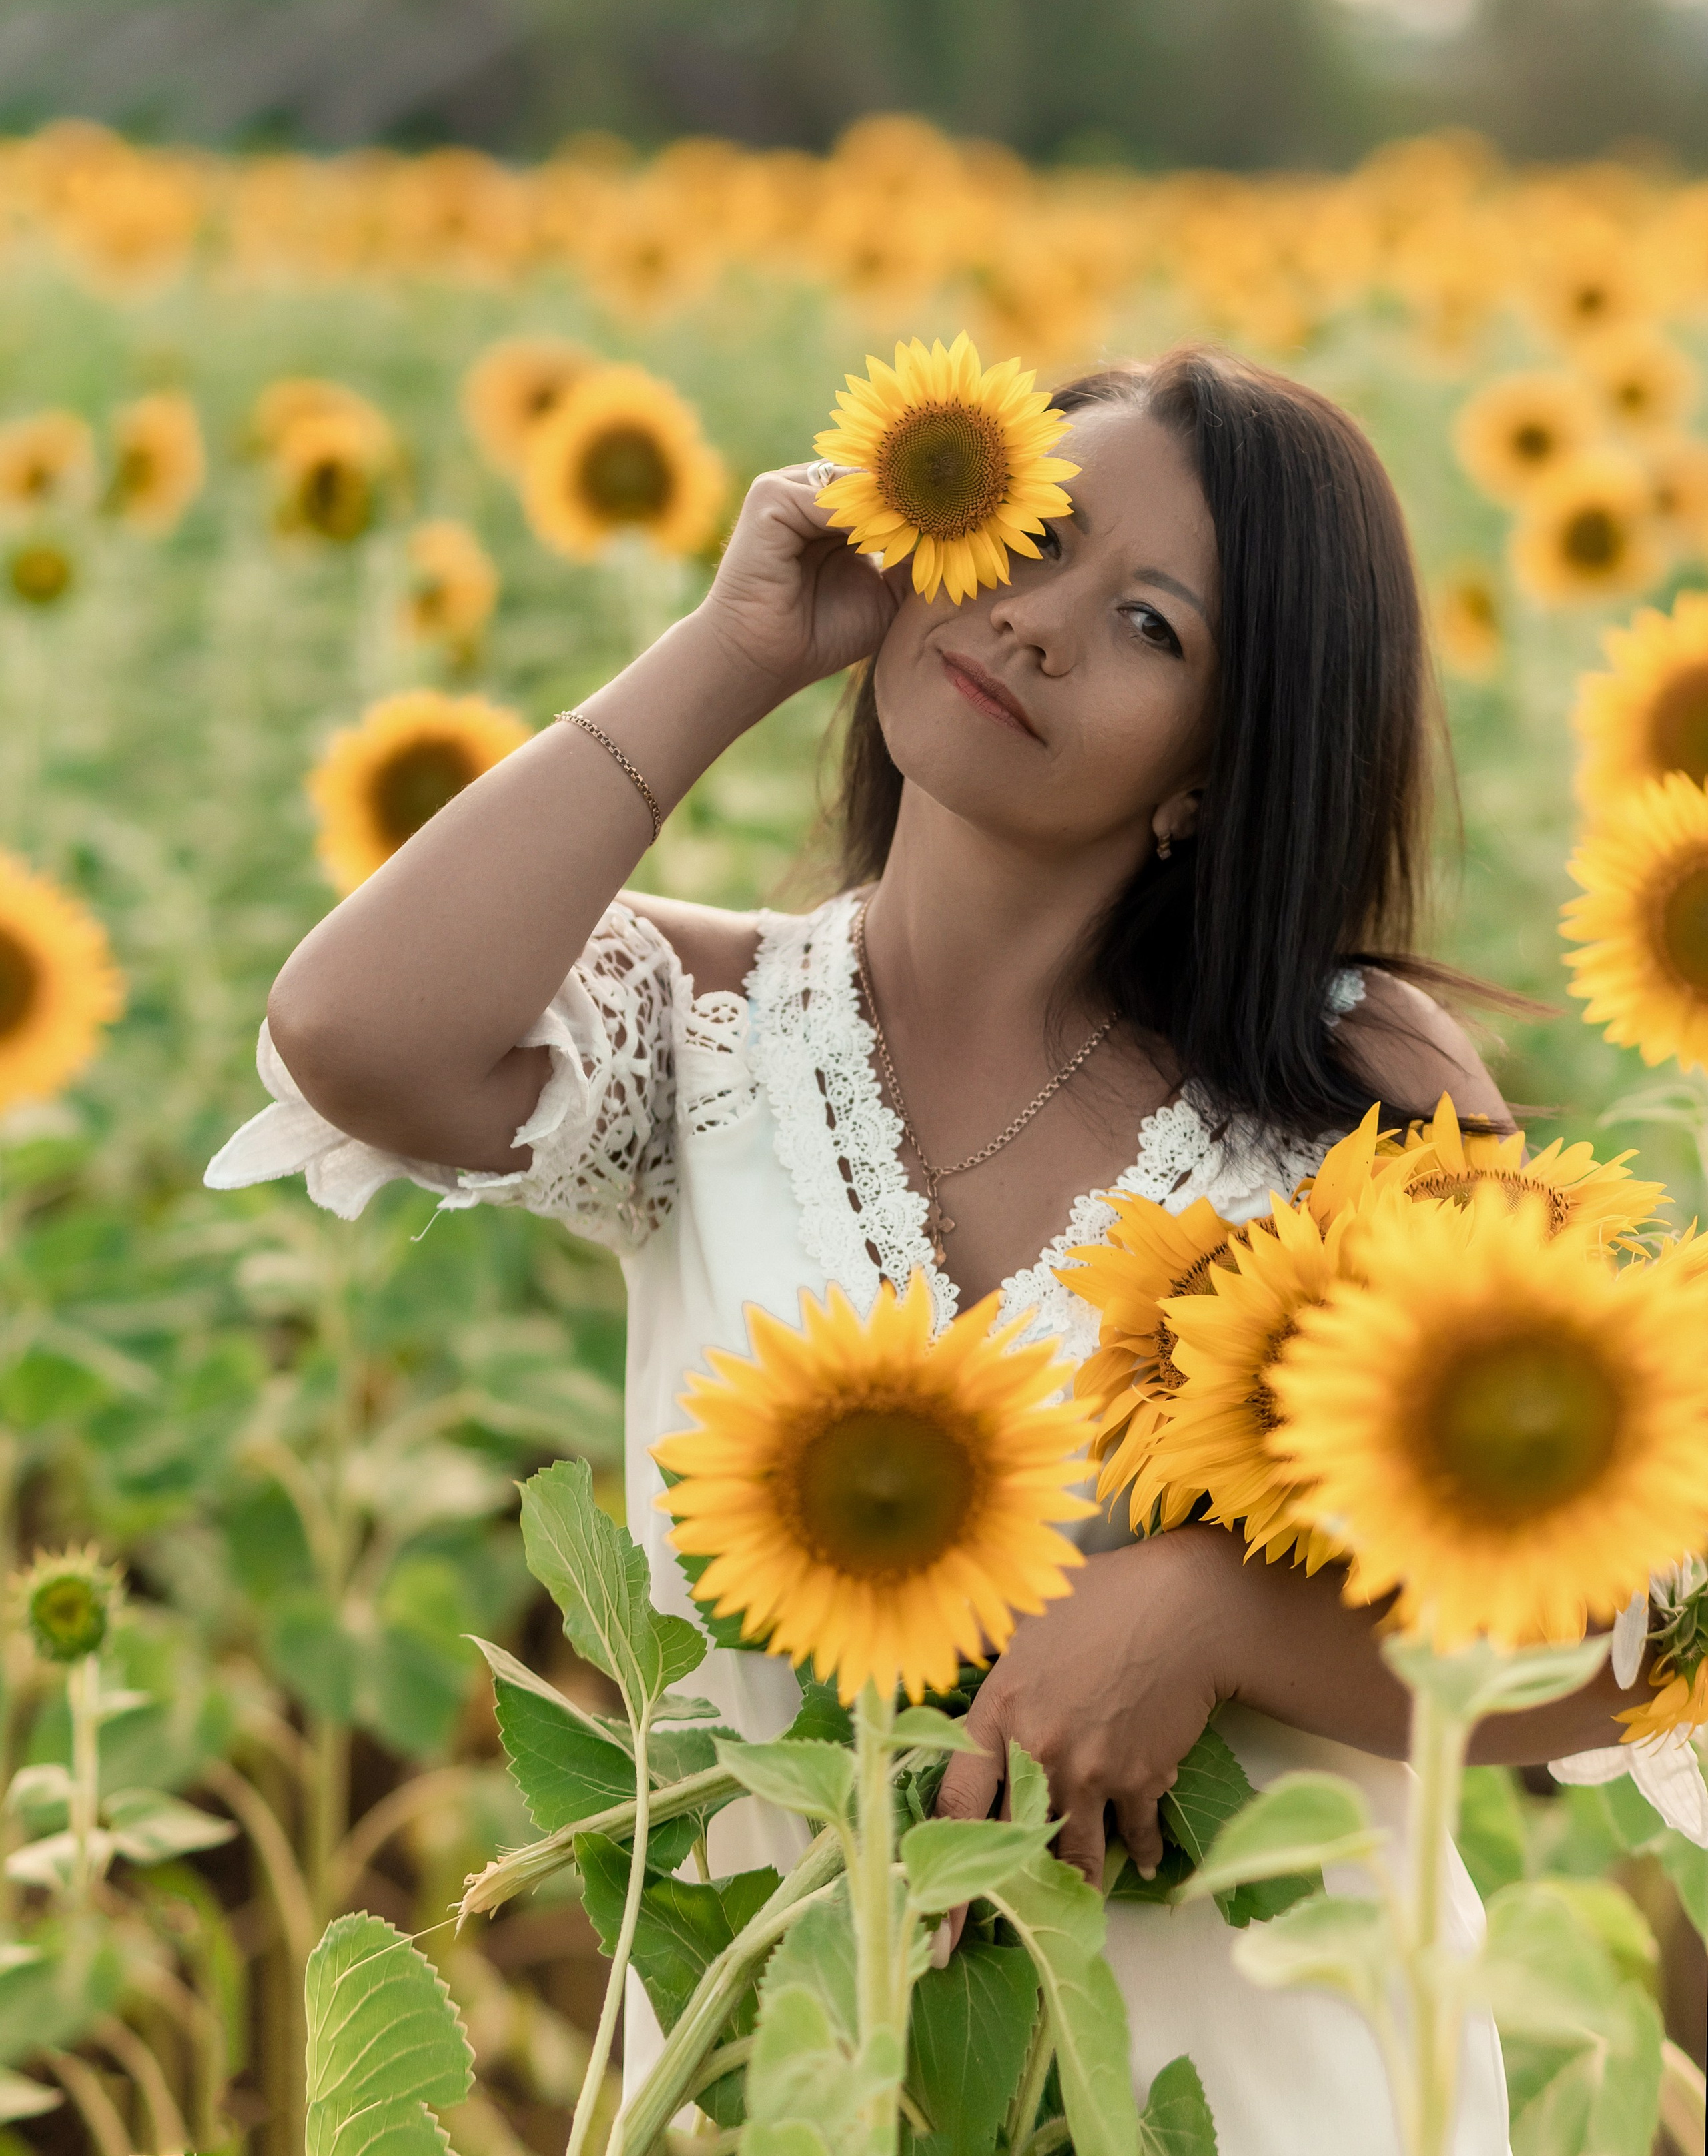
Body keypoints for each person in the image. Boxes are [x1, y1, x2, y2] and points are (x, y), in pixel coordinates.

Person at [209, 347, 1624, 2154]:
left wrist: (1209, 1613)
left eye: (1150, 628)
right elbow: (351, 1032)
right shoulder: (704, 1029)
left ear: (1216, 765)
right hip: (781, 2077)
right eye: (1026, 539)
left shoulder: (1347, 1091)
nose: (1037, 624)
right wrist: (743, 642)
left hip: (1254, 2097)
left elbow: (1614, 1633)